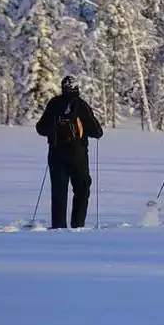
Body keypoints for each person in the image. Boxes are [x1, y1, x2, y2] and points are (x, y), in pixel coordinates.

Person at [34, 75, 104, 230]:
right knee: (82, 188)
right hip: (77, 155)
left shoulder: (53, 104)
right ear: (77, 88)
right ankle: (77, 224)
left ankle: (58, 226)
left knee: (58, 191)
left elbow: (40, 128)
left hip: (56, 154)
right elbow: (97, 131)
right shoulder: (81, 105)